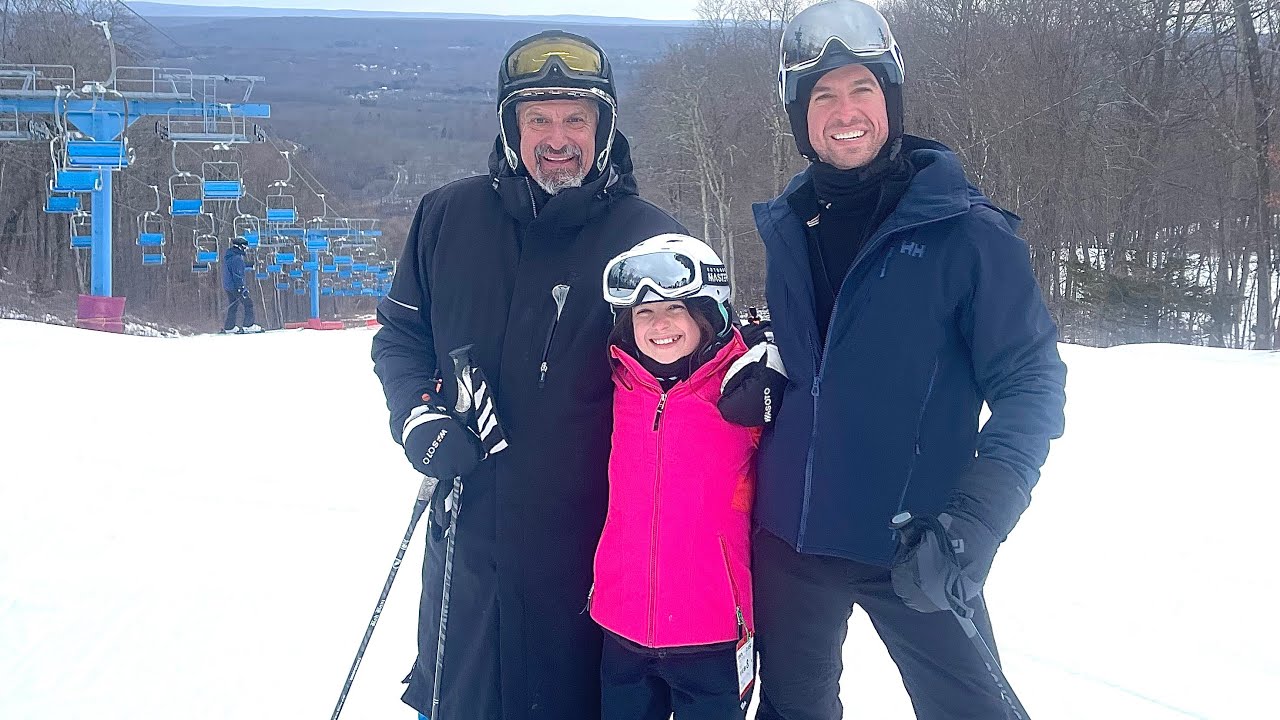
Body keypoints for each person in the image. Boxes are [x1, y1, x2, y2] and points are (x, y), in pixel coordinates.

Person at [748, 2, 1069, 718]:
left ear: (890, 99)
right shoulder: (790, 223)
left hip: (916, 546)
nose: (844, 110)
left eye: (862, 88)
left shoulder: (968, 234)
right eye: (822, 95)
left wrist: (972, 526)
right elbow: (821, 365)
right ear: (799, 116)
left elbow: (1032, 387)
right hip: (789, 543)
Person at [370, 30, 685, 720]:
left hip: (589, 557)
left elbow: (690, 384)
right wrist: (417, 414)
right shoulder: (448, 218)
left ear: (603, 129)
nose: (557, 138)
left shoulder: (650, 241)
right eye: (537, 118)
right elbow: (401, 335)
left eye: (576, 118)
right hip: (468, 548)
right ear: (511, 126)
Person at [590, 234, 787, 720]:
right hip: (622, 623)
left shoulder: (744, 388)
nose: (658, 325)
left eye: (674, 307)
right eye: (643, 313)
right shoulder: (613, 385)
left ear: (708, 312)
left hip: (713, 628)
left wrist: (779, 371)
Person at [221, 237, 261, 333]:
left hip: (228, 286)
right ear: (241, 247)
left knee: (233, 305)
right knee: (248, 304)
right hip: (235, 286)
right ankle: (248, 325)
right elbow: (237, 275)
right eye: (245, 247)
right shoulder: (237, 259)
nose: (245, 249)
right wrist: (241, 288)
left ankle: (229, 326)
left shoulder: (229, 257)